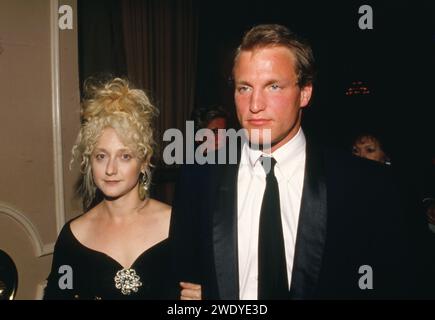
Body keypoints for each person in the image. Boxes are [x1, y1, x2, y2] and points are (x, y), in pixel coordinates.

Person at [170, 24, 429, 299]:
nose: (255, 104)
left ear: (304, 93)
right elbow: (180, 277)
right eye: (244, 88)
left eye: (273, 86)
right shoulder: (199, 177)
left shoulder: (365, 185)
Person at [44, 78, 200, 300]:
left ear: (144, 161)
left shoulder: (180, 225)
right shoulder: (73, 237)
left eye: (125, 156)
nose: (110, 169)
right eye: (101, 156)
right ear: (89, 161)